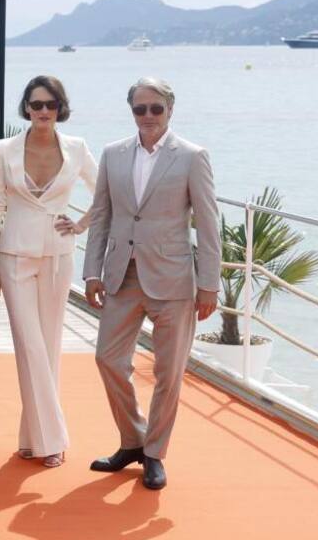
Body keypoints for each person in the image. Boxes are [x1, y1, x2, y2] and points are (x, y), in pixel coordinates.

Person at [83, 77, 219, 490]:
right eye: (139, 109)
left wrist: (210, 284)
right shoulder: (112, 153)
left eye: (155, 109)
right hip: (121, 276)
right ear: (131, 112)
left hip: (174, 280)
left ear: (170, 109)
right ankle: (134, 440)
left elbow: (209, 223)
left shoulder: (192, 157)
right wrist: (91, 270)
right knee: (107, 358)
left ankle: (155, 454)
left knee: (168, 372)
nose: (147, 117)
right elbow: (101, 214)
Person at [0, 76, 98, 468]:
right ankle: (54, 440)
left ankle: (33, 436)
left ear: (60, 107)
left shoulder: (78, 148)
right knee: (30, 346)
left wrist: (81, 225)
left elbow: (108, 193)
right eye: (35, 104)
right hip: (14, 256)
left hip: (58, 254)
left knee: (48, 347)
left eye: (50, 104)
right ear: (26, 108)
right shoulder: (4, 149)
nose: (43, 111)